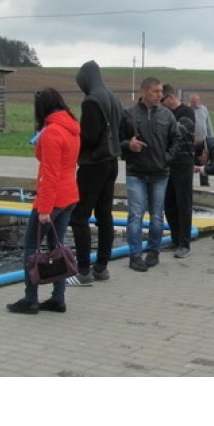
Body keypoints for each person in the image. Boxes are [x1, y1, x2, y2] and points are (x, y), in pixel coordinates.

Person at [7, 88, 80, 315]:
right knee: (57, 246)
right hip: (69, 195)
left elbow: (49, 173)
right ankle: (58, 298)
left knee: (31, 246)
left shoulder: (51, 133)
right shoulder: (72, 128)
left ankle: (30, 299)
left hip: (53, 198)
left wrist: (44, 208)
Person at [67, 60, 124, 286]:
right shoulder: (113, 97)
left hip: (94, 164)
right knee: (104, 215)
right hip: (112, 161)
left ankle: (83, 270)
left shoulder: (92, 101)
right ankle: (101, 267)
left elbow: (90, 136)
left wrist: (75, 142)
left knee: (79, 216)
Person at [120, 77, 180, 272]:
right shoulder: (128, 114)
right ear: (144, 91)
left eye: (161, 91)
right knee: (135, 215)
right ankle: (135, 255)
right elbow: (117, 141)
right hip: (135, 172)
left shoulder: (167, 115)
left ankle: (153, 251)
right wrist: (128, 145)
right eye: (156, 91)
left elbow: (177, 140)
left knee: (157, 216)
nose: (160, 95)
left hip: (160, 173)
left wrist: (166, 158)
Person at [161, 84, 196, 258]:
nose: (161, 104)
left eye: (162, 100)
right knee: (169, 203)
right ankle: (175, 238)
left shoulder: (187, 112)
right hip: (168, 164)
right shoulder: (166, 114)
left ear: (170, 97)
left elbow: (180, 131)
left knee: (183, 203)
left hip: (183, 163)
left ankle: (184, 243)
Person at [189, 94, 214, 186]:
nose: (194, 103)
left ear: (199, 101)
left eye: (195, 101)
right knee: (190, 161)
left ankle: (204, 182)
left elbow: (208, 124)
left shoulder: (204, 109)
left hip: (203, 141)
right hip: (192, 141)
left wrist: (211, 137)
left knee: (203, 161)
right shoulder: (188, 110)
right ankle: (188, 182)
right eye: (192, 102)